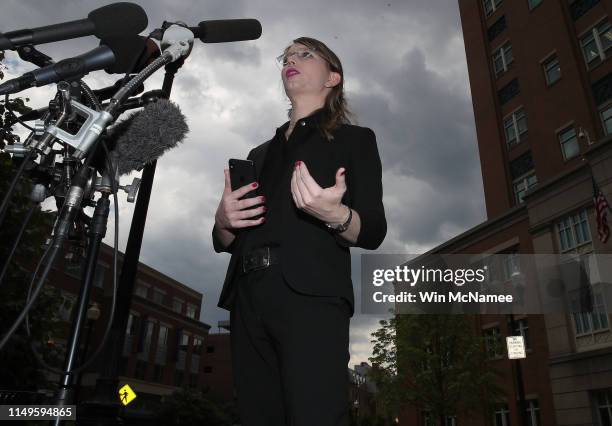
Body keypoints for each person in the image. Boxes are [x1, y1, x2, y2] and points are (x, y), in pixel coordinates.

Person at [212, 36, 386, 426]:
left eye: (305, 54)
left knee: (315, 415)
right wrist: (224, 221)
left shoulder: (356, 139)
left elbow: (372, 230)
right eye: (286, 56)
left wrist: (335, 213)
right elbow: (222, 242)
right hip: (247, 296)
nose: (291, 60)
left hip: (311, 296)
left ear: (333, 77)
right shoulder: (259, 154)